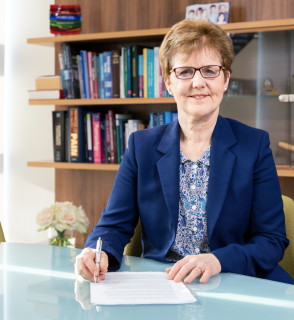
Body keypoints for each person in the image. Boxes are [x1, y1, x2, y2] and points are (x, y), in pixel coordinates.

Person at [75, 19, 294, 285]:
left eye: (210, 71)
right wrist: (96, 253)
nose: (198, 82)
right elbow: (112, 226)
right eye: (186, 71)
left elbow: (271, 241)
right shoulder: (141, 146)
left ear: (225, 79)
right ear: (169, 82)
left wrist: (217, 260)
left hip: (234, 278)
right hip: (165, 283)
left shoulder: (255, 145)